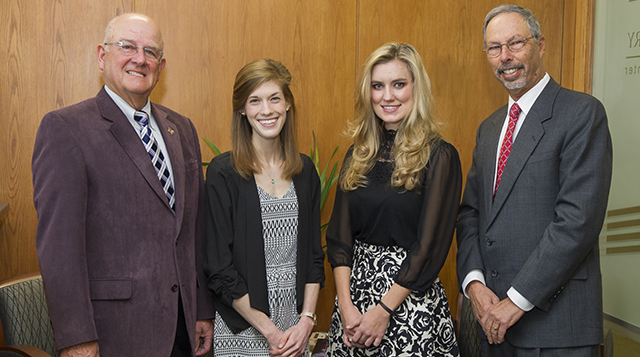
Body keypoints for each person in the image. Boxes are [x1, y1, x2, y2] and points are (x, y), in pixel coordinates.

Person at [32, 13, 215, 357]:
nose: (139, 59)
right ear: (102, 56)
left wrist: (202, 308)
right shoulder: (66, 128)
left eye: (151, 52)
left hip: (181, 329)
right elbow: (60, 249)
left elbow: (194, 230)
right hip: (112, 333)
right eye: (127, 46)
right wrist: (75, 338)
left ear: (161, 66)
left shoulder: (182, 129)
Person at [456, 5, 613, 356]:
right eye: (494, 48)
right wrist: (475, 286)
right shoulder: (489, 128)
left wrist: (516, 300)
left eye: (515, 43)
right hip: (492, 326)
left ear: (540, 45)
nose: (505, 57)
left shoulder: (582, 114)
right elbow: (470, 214)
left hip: (556, 330)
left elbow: (577, 221)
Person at [324, 42, 461, 356]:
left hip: (409, 303)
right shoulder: (358, 154)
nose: (387, 96)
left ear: (416, 88)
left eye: (399, 84)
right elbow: (340, 239)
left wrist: (382, 311)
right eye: (378, 86)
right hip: (353, 309)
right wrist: (345, 306)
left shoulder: (440, 155)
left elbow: (429, 247)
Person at [203, 59, 325, 357]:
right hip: (243, 330)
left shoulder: (305, 170)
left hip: (295, 332)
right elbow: (219, 268)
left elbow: (313, 257)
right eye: (254, 101)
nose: (267, 110)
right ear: (242, 110)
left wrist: (306, 322)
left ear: (287, 105)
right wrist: (270, 331)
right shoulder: (223, 173)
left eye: (274, 98)